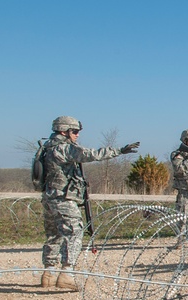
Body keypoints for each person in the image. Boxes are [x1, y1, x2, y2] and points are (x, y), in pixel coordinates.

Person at [39, 116, 139, 290]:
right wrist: (120, 151)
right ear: (64, 131)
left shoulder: (46, 148)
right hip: (64, 198)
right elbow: (91, 154)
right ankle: (66, 274)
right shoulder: (64, 148)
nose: (77, 135)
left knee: (54, 235)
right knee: (74, 233)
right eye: (75, 132)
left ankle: (48, 273)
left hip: (49, 197)